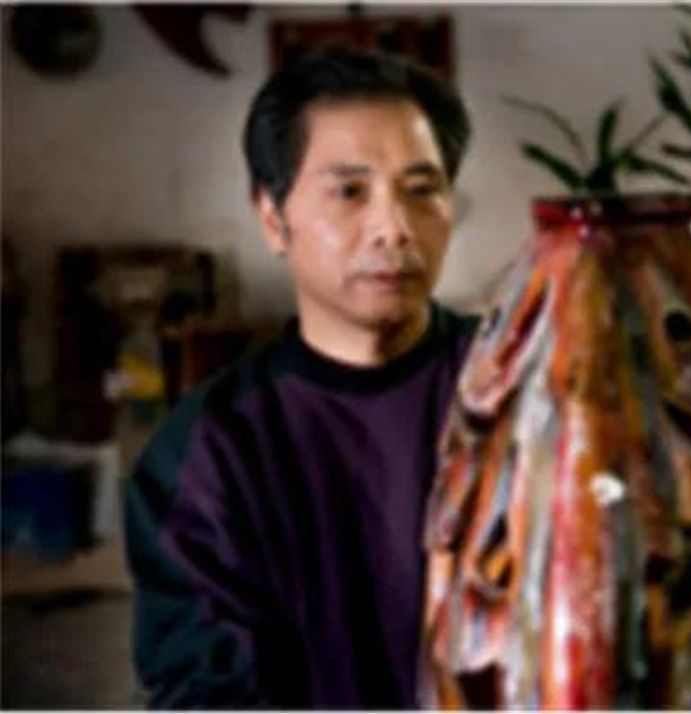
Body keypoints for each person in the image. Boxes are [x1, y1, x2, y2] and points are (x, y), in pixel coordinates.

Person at [123, 48, 476, 708]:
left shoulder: (521, 390)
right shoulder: (207, 453)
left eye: (421, 190)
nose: (394, 229)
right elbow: (208, 692)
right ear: (272, 217)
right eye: (349, 192)